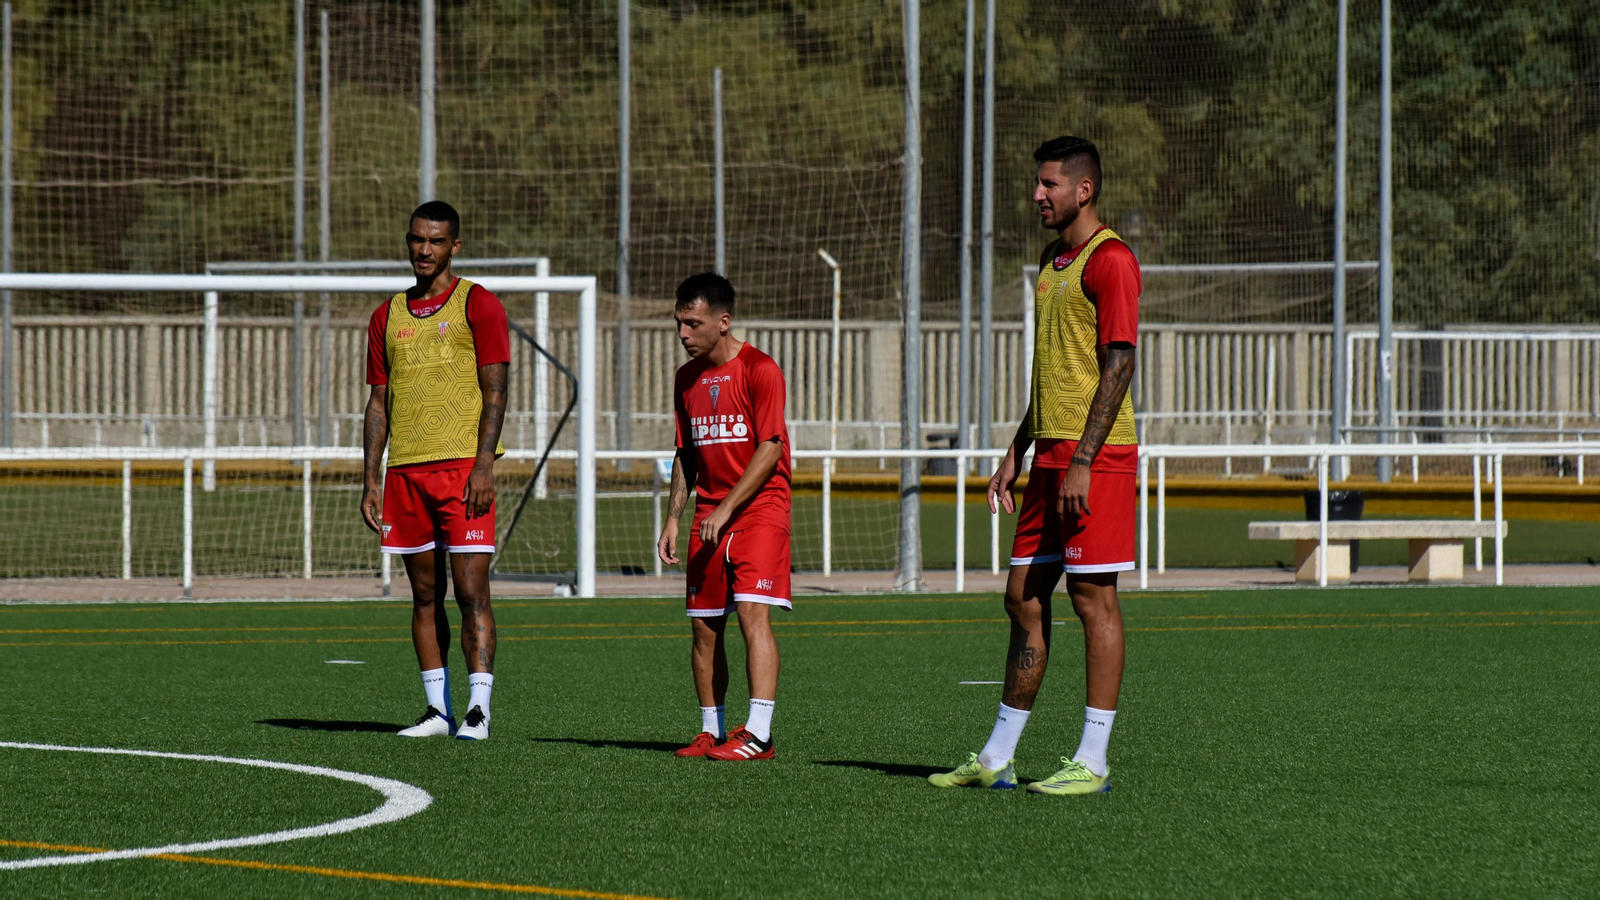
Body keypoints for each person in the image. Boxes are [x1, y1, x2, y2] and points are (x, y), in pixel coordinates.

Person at [930, 136, 1139, 795]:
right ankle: (997, 756)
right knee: (1021, 598)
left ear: (1084, 190)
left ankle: (1094, 762)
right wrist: (1016, 450)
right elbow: (1057, 373)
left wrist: (1081, 459)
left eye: (1050, 184)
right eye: (1036, 182)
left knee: (1092, 599)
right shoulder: (1052, 262)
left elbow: (1119, 364)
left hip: (1094, 463)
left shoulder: (1112, 262)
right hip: (1047, 458)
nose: (1037, 195)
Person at [360, 200, 510, 741]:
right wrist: (371, 477)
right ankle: (435, 711)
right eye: (417, 239)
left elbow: (496, 392)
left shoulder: (479, 304)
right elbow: (378, 404)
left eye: (436, 241)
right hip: (405, 473)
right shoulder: (387, 315)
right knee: (425, 595)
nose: (425, 250)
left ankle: (478, 710)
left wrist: (484, 464)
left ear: (455, 246)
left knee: (471, 590)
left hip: (462, 472)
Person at [656, 272, 792, 762]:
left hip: (759, 509)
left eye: (693, 323)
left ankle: (759, 734)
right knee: (703, 625)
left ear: (723, 321)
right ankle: (711, 732)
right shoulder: (685, 380)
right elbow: (684, 454)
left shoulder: (760, 369)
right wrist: (675, 517)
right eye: (679, 323)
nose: (683, 334)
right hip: (709, 514)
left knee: (752, 615)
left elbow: (770, 449)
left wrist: (728, 506)